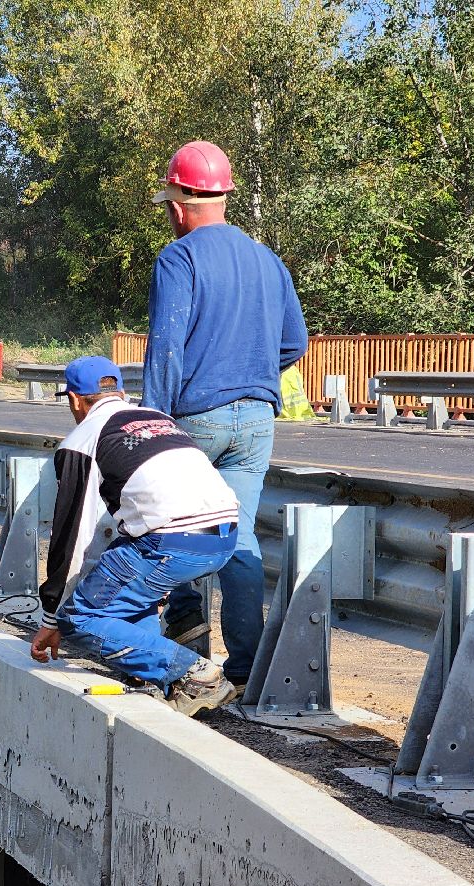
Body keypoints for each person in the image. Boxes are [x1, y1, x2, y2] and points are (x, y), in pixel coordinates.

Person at [142, 140, 308, 689]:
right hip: (258, 418)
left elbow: (165, 350)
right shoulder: (267, 259)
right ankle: (246, 672)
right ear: (224, 197)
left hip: (195, 417)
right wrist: (252, 374)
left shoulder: (179, 258)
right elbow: (294, 344)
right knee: (237, 537)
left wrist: (153, 427)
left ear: (177, 203)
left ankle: (188, 652)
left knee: (174, 526)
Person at [30, 356, 240, 716]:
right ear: (121, 392)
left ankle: (195, 674)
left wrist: (51, 618)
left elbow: (71, 536)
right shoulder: (159, 420)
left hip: (171, 543)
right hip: (224, 538)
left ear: (74, 400)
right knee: (122, 578)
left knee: (79, 618)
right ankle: (155, 678)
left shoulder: (83, 439)